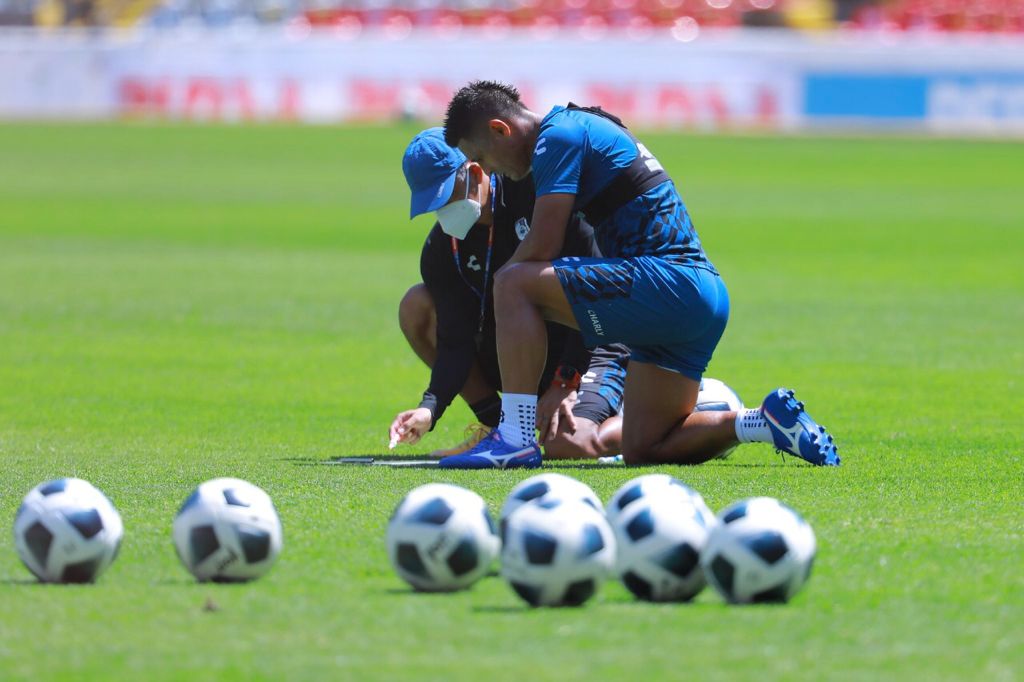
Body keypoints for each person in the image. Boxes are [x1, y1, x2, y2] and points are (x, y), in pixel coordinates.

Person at [439, 81, 840, 468]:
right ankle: (758, 422)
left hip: (667, 284)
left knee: (512, 285)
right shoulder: (580, 124)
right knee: (646, 446)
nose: (490, 171)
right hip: (697, 298)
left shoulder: (556, 137)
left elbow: (542, 245)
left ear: (499, 129)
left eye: (483, 158)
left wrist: (501, 294)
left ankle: (514, 438)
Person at [388, 128, 629, 463]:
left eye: (445, 196)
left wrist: (566, 380)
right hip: (525, 358)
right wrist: (430, 408)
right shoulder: (442, 248)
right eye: (433, 204)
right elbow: (455, 340)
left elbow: (593, 292)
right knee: (417, 307)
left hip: (592, 342)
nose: (443, 212)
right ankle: (501, 426)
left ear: (474, 172)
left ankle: (660, 409)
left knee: (567, 447)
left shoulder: (541, 198)